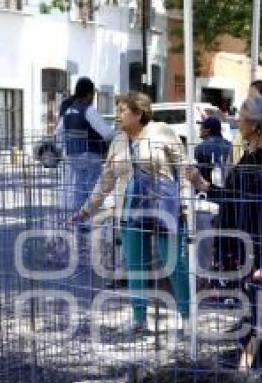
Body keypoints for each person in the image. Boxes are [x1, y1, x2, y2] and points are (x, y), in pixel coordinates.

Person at [72, 91, 190, 335]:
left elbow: (185, 168)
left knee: (173, 264)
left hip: (162, 208)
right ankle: (139, 318)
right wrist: (86, 210)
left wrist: (186, 204)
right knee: (135, 266)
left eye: (122, 110)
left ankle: (187, 318)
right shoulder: (117, 140)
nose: (117, 115)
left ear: (139, 113)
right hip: (129, 211)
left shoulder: (162, 132)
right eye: (117, 110)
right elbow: (105, 181)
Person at [188, 96, 262, 274]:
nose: (238, 123)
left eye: (241, 119)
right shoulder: (253, 151)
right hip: (242, 238)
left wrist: (205, 186)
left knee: (254, 295)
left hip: (254, 242)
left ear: (254, 125)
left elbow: (242, 197)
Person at [56, 77, 114, 214]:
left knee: (79, 189)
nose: (93, 97)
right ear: (88, 94)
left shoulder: (68, 111)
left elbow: (58, 133)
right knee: (93, 189)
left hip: (73, 156)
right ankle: (92, 220)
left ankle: (79, 221)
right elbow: (107, 133)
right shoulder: (88, 110)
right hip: (90, 155)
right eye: (93, 94)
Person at [194, 116, 231, 187]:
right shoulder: (230, 145)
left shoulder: (200, 148)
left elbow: (201, 174)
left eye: (202, 126)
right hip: (229, 189)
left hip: (208, 190)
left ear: (208, 130)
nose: (200, 129)